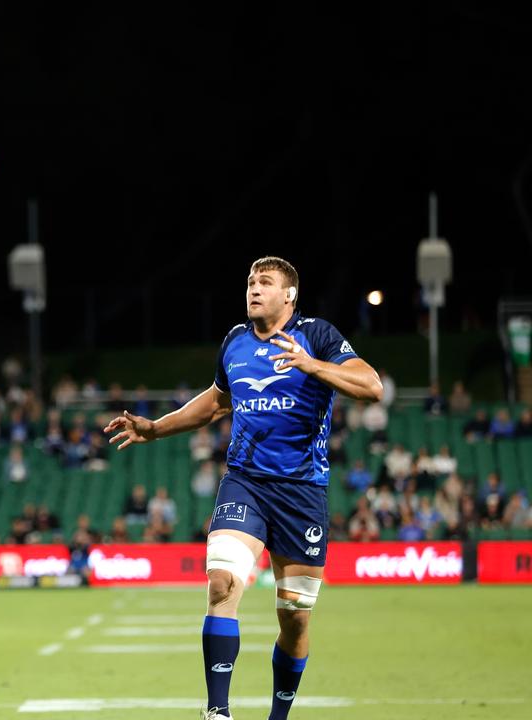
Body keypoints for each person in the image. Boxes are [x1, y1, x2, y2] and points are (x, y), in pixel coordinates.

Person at [105, 256, 382, 720]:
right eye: (251, 281)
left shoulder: (317, 335)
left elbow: (371, 386)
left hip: (302, 493)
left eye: (265, 282)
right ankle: (218, 711)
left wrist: (313, 366)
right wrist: (156, 428)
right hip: (245, 483)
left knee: (295, 619)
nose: (254, 288)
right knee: (221, 582)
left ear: (289, 295)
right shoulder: (235, 341)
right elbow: (216, 403)